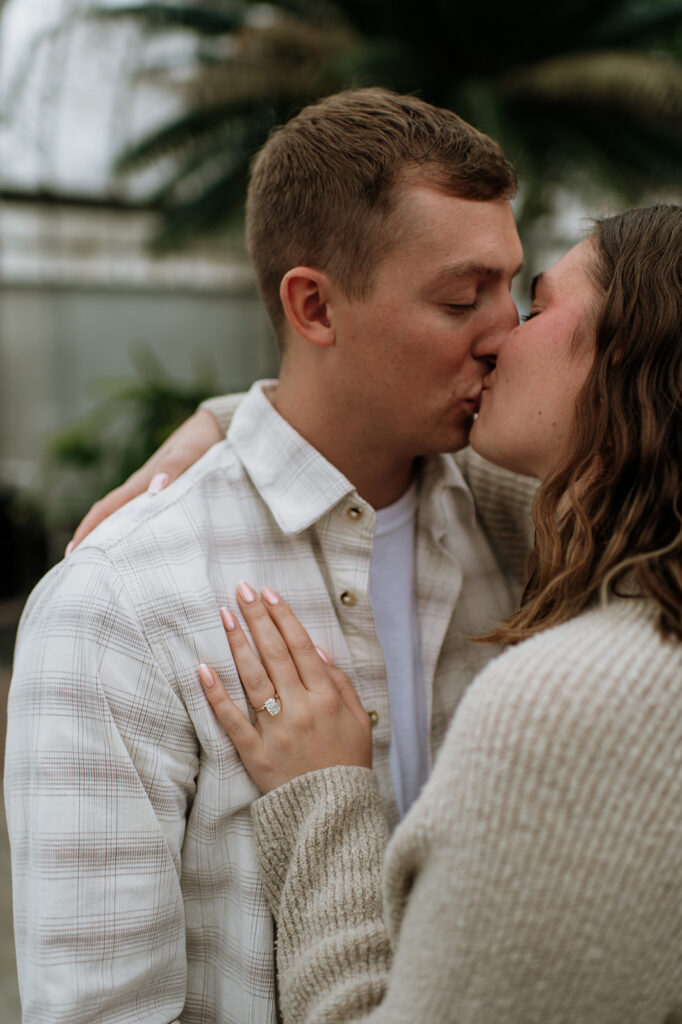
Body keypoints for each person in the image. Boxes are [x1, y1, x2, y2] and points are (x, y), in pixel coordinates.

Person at [5, 88, 535, 1022]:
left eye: (512, 287)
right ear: (314, 306)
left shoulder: (523, 525)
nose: (507, 334)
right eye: (462, 298)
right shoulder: (116, 605)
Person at [194, 204, 682, 1023]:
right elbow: (390, 442)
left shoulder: (578, 707)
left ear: (624, 356)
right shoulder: (627, 559)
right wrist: (234, 425)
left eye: (534, 305)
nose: (498, 336)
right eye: (463, 301)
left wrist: (323, 799)